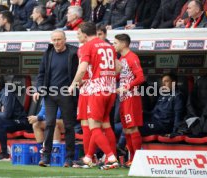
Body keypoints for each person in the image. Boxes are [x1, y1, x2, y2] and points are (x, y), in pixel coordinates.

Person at [69, 22, 120, 170]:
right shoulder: (108, 46)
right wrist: (107, 77)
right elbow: (119, 67)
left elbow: (82, 69)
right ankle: (88, 157)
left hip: (96, 91)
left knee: (94, 127)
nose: (77, 36)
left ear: (85, 34)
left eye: (78, 34)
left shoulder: (87, 47)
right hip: (109, 90)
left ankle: (111, 157)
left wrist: (73, 84)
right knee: (104, 124)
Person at [33, 30, 78, 167]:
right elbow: (41, 73)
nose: (57, 42)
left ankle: (69, 158)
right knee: (49, 124)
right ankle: (46, 157)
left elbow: (79, 72)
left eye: (59, 39)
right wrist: (38, 89)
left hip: (67, 94)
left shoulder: (74, 53)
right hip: (50, 94)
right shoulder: (48, 53)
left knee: (69, 126)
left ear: (65, 39)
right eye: (54, 40)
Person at [113, 33, 145, 168]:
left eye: (115, 43)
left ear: (123, 43)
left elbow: (141, 77)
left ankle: (135, 159)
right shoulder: (122, 58)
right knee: (126, 129)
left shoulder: (132, 57)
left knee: (132, 128)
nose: (113, 45)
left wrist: (126, 87)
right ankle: (131, 159)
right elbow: (119, 76)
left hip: (132, 97)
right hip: (124, 98)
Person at [0, 74, 28, 160]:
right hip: (6, 121)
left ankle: (4, 153)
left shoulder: (7, 94)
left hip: (19, 121)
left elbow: (6, 115)